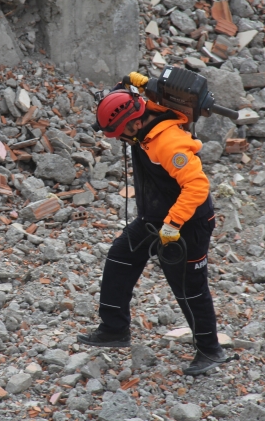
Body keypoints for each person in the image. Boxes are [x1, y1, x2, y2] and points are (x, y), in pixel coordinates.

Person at [77, 72, 225, 376]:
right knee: (121, 257)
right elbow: (124, 93)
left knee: (188, 287)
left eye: (119, 134)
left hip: (187, 224)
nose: (120, 139)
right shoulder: (142, 111)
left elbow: (197, 188)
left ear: (133, 124)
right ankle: (114, 329)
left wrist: (171, 226)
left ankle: (210, 351)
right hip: (153, 218)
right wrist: (138, 82)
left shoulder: (169, 143)